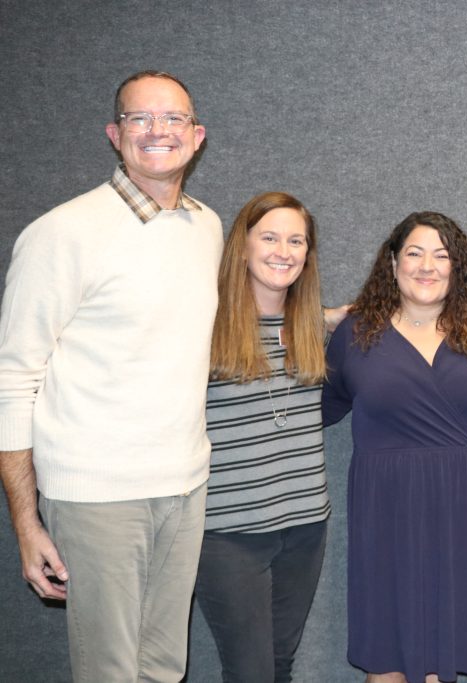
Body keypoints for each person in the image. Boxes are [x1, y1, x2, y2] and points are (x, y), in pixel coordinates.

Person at [0, 71, 221, 681]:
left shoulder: (206, 226)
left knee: (163, 667)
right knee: (110, 673)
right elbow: (13, 380)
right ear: (113, 133)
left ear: (196, 136)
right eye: (139, 118)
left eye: (173, 119)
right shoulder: (60, 234)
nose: (158, 131)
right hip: (98, 497)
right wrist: (26, 521)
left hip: (185, 484)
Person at [322, 211, 467, 682]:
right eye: (415, 253)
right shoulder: (355, 335)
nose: (427, 266)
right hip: (386, 511)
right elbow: (318, 407)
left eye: (442, 256)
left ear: (457, 268)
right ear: (392, 263)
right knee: (387, 653)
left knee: (443, 652)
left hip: (464, 511)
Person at [193, 192, 330, 682]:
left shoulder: (311, 327)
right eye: (269, 237)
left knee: (280, 664)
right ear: (243, 247)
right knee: (249, 672)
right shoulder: (201, 328)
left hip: (306, 527)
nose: (283, 250)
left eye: (296, 240)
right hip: (229, 533)